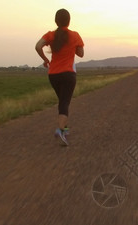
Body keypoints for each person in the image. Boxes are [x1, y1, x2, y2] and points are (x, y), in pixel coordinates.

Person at [35, 8, 84, 146]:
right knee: (64, 102)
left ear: (56, 21)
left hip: (53, 75)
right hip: (68, 74)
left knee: (63, 101)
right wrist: (72, 47)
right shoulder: (75, 35)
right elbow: (81, 54)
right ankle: (61, 130)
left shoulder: (50, 35)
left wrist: (45, 59)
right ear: (69, 21)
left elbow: (38, 46)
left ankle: (65, 129)